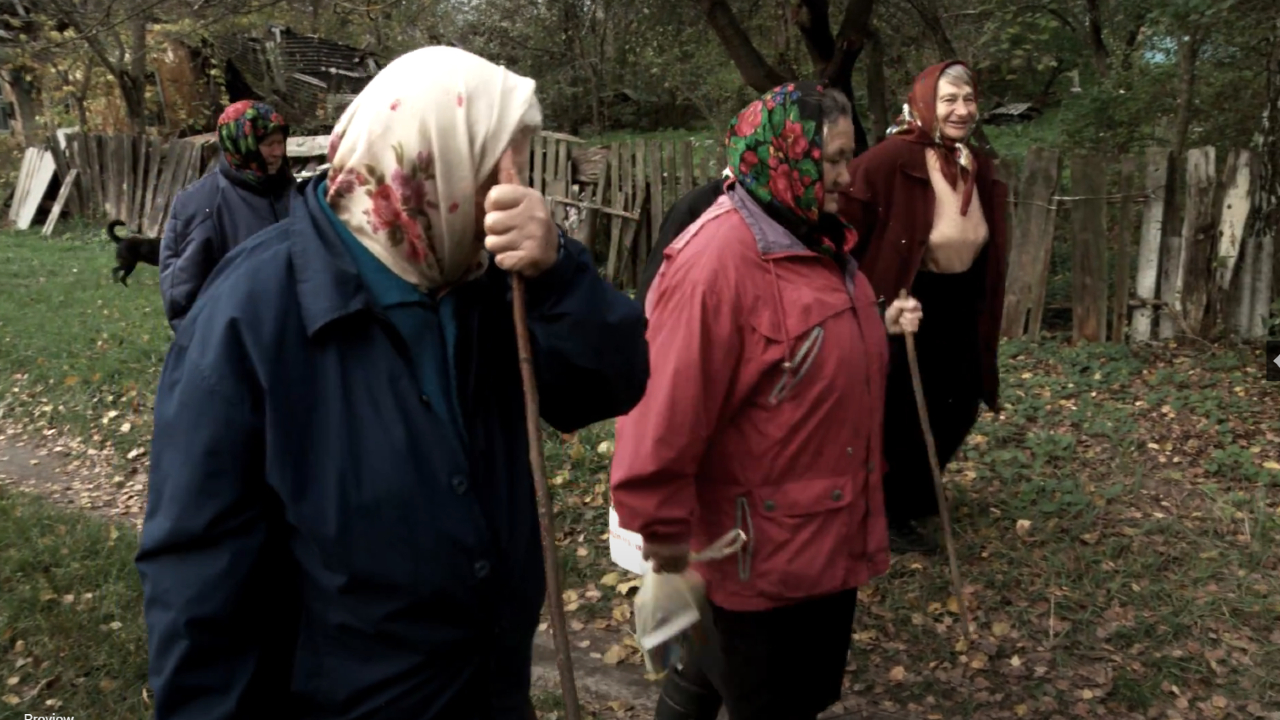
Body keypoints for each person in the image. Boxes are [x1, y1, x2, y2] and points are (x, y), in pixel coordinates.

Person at [135, 47, 650, 720]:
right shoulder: (248, 317)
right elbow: (200, 589)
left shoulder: (491, 280)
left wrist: (560, 276)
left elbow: (607, 386)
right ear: (433, 160)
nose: (517, 189)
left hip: (484, 693)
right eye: (503, 161)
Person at [610, 82, 922, 720]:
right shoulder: (717, 262)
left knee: (706, 675)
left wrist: (878, 326)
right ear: (783, 155)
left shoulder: (821, 239)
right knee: (772, 699)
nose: (847, 176)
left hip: (820, 528)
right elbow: (663, 407)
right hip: (756, 552)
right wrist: (664, 533)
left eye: (850, 157)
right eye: (833, 159)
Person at [837, 60, 1008, 554]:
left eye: (968, 98)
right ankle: (890, 509)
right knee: (904, 409)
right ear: (923, 103)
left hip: (964, 296)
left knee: (963, 398)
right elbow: (844, 227)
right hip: (912, 299)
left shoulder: (975, 160)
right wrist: (875, 291)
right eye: (948, 99)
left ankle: (915, 489)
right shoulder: (889, 159)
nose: (960, 109)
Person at [159, 100, 294, 332]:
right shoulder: (202, 204)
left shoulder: (290, 192)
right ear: (242, 144)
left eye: (280, 143)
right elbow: (182, 295)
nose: (278, 152)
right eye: (268, 144)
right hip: (237, 341)